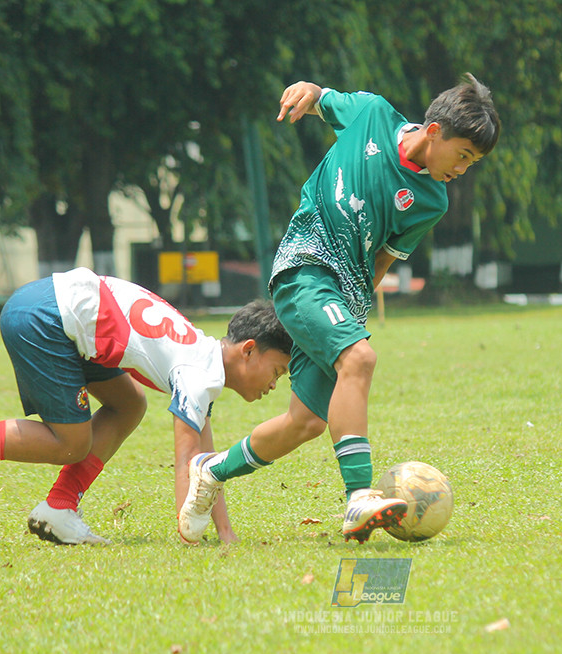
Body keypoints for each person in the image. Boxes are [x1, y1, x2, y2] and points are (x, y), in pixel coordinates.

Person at [178, 74, 500, 544]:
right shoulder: (372, 114)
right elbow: (321, 100)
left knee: (306, 421)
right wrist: (306, 92)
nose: (464, 170)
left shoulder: (432, 200)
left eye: (474, 162)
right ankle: (358, 498)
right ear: (434, 132)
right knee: (361, 358)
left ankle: (210, 471)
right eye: (464, 156)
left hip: (341, 296)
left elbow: (385, 256)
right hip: (304, 268)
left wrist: (352, 313)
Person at [0, 267, 292, 545]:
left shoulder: (203, 357)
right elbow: (186, 459)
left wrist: (225, 533)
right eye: (276, 370)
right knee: (71, 443)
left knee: (129, 404)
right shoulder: (197, 371)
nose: (274, 384)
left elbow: (205, 463)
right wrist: (189, 532)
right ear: (248, 350)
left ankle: (60, 506)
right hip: (46, 317)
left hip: (49, 307)